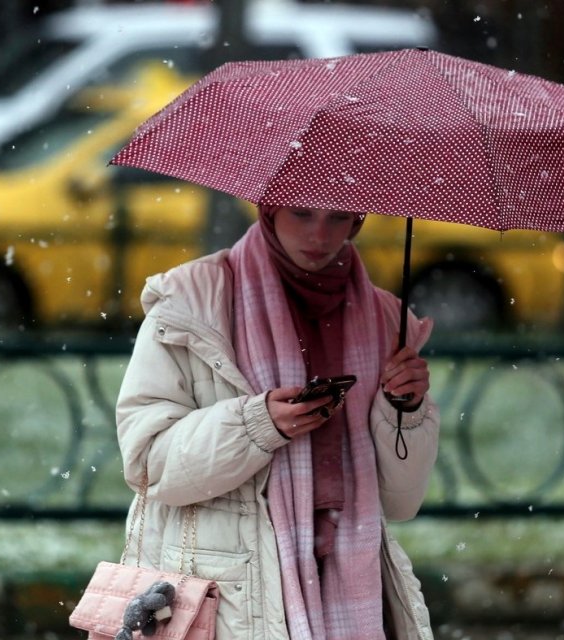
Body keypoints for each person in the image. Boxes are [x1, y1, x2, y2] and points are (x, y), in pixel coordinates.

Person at [114, 204, 441, 639]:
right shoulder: (191, 302)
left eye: (338, 217)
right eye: (303, 214)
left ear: (358, 221)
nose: (320, 235)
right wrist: (256, 425)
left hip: (351, 590)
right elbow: (148, 461)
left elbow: (400, 501)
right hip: (231, 594)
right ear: (268, 209)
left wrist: (406, 409)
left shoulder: (384, 320)